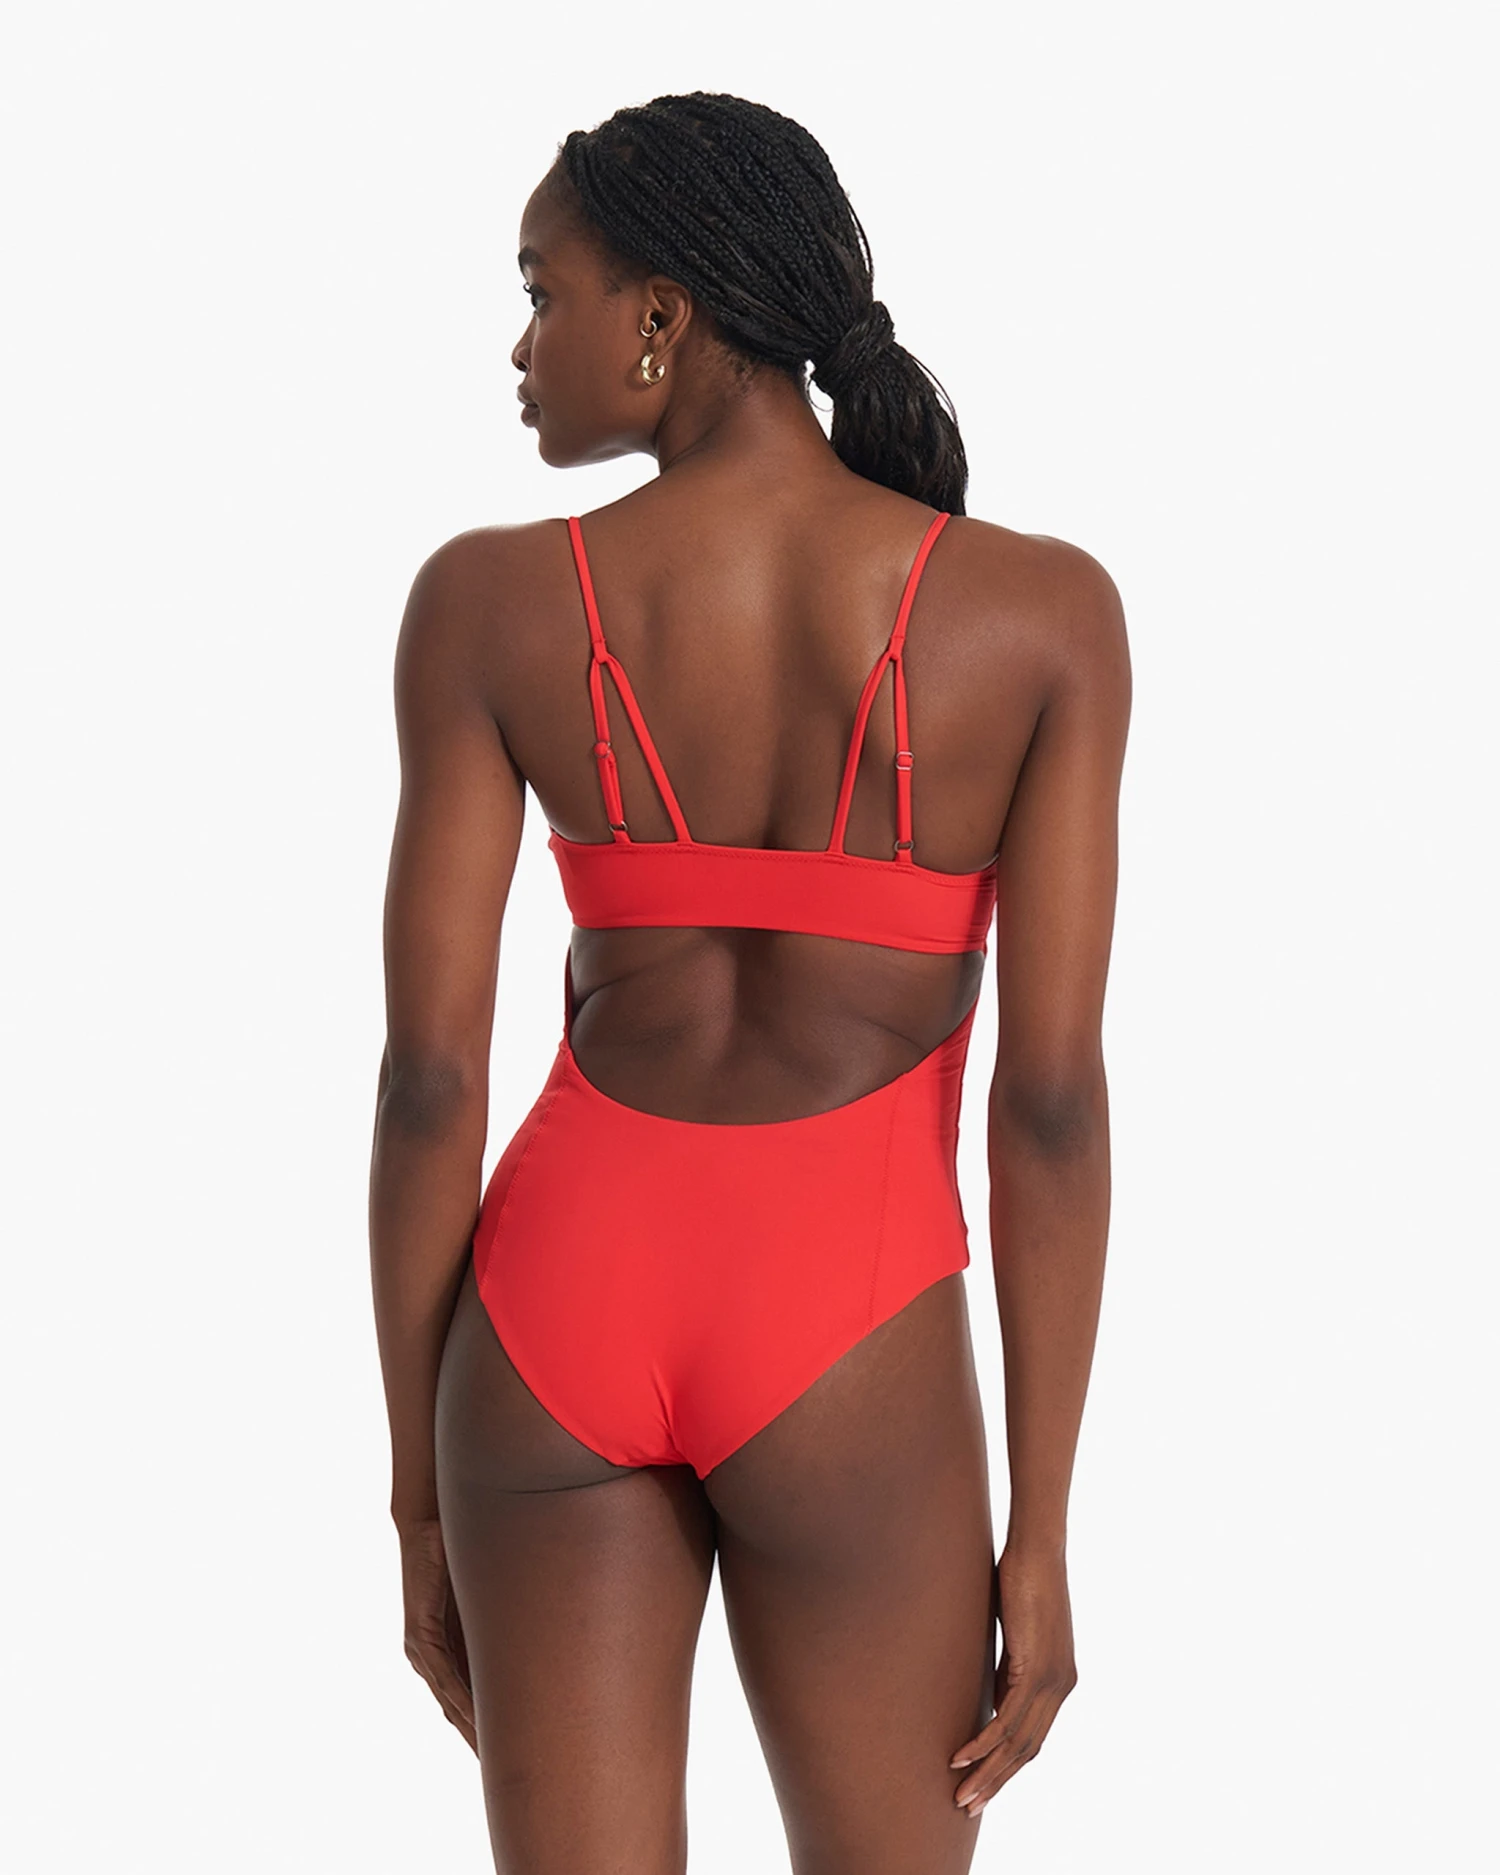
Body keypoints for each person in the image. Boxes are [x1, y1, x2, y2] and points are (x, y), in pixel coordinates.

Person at [369, 91, 1130, 1875]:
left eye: (540, 290)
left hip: (549, 1319)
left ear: (662, 316)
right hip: (851, 1324)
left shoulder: (485, 604)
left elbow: (426, 1081)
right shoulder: (1039, 617)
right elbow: (1049, 1105)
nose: (520, 345)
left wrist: (414, 1496)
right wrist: (1040, 1527)